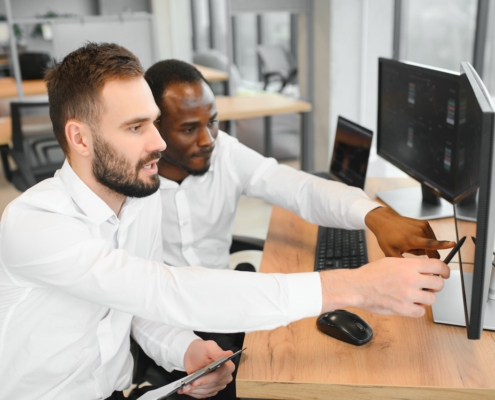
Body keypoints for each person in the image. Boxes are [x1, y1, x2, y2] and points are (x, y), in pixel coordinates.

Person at [0, 43, 451, 400]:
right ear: (79, 137)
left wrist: (188, 351)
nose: (157, 142)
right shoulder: (35, 224)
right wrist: (358, 286)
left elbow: (137, 308)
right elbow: (163, 290)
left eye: (155, 123)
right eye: (137, 127)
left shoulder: (132, 202)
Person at [143, 59, 456, 399]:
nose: (208, 139)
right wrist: (183, 348)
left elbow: (298, 188)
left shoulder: (224, 153)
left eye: (213, 122)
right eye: (189, 129)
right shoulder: (129, 189)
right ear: (152, 128)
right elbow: (135, 300)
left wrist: (375, 215)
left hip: (225, 307)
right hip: (168, 325)